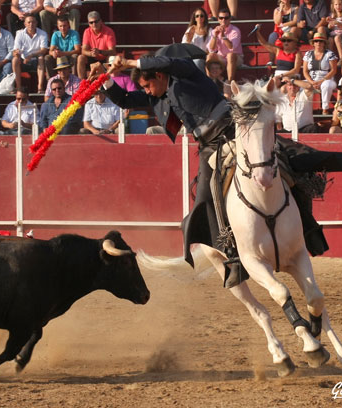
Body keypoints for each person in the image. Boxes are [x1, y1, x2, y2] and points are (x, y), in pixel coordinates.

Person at [89, 54, 246, 286]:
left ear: (160, 76)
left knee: (283, 158)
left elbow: (173, 62)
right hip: (208, 147)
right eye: (144, 88)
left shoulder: (187, 76)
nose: (148, 92)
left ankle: (308, 232)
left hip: (235, 132)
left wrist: (132, 63)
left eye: (148, 85)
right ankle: (233, 258)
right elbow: (124, 99)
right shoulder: (157, 96)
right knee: (204, 200)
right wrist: (107, 76)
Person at [303, 32, 338, 114]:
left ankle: (325, 109)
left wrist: (321, 81)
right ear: (313, 43)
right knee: (299, 85)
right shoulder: (308, 54)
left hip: (327, 79)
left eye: (321, 41)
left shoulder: (330, 54)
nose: (318, 43)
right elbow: (305, 71)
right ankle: (304, 110)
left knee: (326, 85)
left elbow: (333, 70)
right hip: (311, 79)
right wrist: (312, 82)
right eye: (316, 41)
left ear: (324, 43)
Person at [12, 14, 48, 92]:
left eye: (33, 22)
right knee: (15, 59)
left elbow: (44, 50)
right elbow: (15, 51)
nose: (31, 24)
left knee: (41, 57)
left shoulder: (42, 33)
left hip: (36, 59)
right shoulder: (20, 34)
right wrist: (17, 53)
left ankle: (40, 87)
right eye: (29, 22)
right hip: (24, 60)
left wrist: (31, 55)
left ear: (36, 23)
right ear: (25, 24)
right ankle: (18, 87)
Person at [206, 8, 243, 82]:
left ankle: (230, 82)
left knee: (230, 55)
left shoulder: (235, 31)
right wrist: (215, 36)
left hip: (236, 58)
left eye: (226, 18)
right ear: (218, 19)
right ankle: (209, 81)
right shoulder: (214, 31)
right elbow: (211, 49)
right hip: (222, 57)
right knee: (210, 56)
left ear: (230, 19)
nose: (223, 20)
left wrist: (223, 36)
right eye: (221, 18)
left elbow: (232, 47)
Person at [77, 11, 116, 79]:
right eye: (91, 22)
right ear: (88, 24)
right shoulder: (87, 32)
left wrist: (100, 52)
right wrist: (91, 54)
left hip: (104, 58)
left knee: (111, 58)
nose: (94, 24)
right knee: (80, 58)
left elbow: (112, 51)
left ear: (100, 21)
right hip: (91, 58)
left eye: (96, 21)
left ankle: (110, 80)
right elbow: (83, 51)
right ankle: (81, 83)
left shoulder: (109, 31)